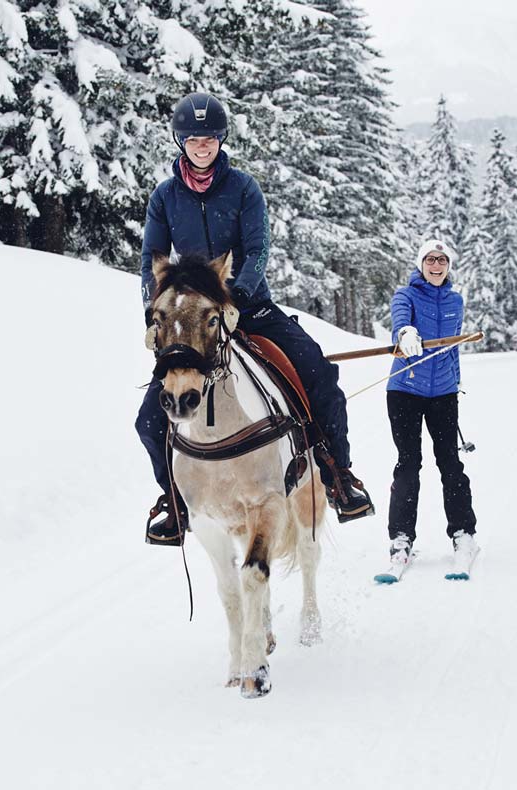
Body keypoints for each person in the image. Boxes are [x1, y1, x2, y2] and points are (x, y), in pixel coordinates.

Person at [136, 92, 374, 546]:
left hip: (249, 308)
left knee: (318, 373)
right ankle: (173, 501)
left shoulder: (244, 188)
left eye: (209, 139)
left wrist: (235, 298)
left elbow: (258, 248)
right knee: (149, 420)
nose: (201, 146)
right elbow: (152, 258)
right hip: (189, 320)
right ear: (180, 142)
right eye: (193, 139)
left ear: (221, 140)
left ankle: (338, 474)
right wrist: (153, 316)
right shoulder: (164, 197)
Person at [384, 239, 479, 576]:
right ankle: (401, 539)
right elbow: (400, 319)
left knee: (450, 464)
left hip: (442, 393)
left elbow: (451, 350)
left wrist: (455, 381)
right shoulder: (406, 295)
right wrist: (406, 332)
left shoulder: (455, 301)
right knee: (409, 464)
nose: (436, 265)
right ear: (420, 264)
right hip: (405, 390)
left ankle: (463, 534)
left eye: (442, 260)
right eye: (430, 260)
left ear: (448, 266)